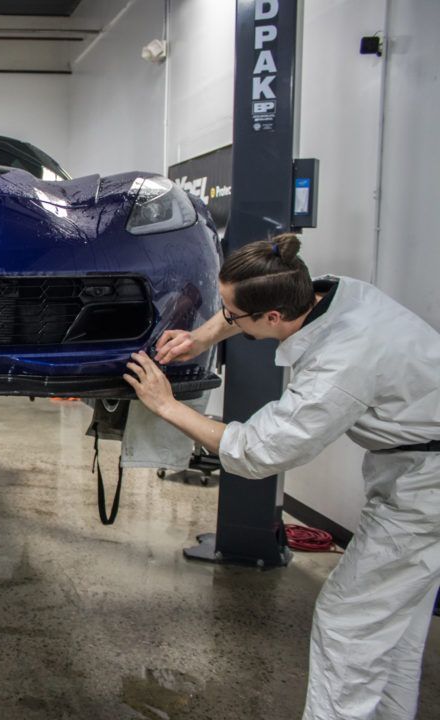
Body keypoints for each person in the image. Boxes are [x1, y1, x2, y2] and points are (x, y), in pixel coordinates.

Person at [124, 233, 440, 720]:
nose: (225, 319)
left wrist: (166, 405)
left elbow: (255, 451)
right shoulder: (329, 291)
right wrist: (201, 338)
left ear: (272, 318)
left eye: (231, 315)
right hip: (413, 466)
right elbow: (244, 311)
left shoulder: (340, 365)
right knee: (393, 624)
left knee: (349, 623)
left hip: (428, 485)